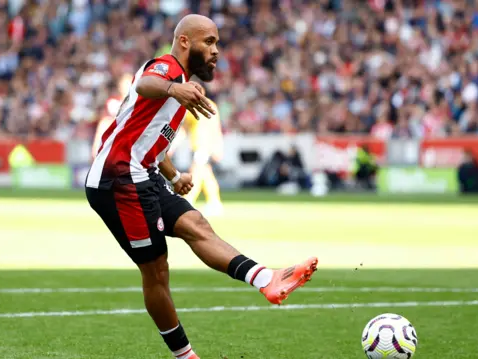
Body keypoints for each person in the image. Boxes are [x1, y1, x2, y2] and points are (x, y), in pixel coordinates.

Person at [85, 15, 318, 359]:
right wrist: (173, 88)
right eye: (208, 42)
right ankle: (186, 356)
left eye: (217, 43)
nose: (215, 51)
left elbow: (150, 141)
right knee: (156, 271)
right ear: (184, 42)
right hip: (116, 179)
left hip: (143, 173)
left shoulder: (183, 92)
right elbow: (145, 83)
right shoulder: (165, 68)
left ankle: (265, 280)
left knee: (197, 224)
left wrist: (175, 175)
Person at [178, 85, 225, 216]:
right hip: (204, 145)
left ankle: (188, 201)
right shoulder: (212, 105)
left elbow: (183, 128)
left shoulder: (193, 105)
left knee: (196, 171)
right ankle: (214, 202)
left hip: (201, 145)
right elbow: (217, 128)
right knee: (205, 173)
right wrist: (218, 145)